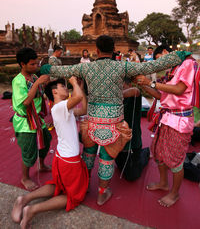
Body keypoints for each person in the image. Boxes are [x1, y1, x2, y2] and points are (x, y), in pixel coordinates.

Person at [40, 35, 191, 205]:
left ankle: (86, 185)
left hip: (92, 122)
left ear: (96, 51)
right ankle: (102, 194)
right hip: (113, 123)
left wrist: (45, 68)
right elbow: (151, 66)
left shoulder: (86, 68)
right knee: (106, 159)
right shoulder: (123, 66)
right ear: (113, 50)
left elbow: (62, 71)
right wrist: (177, 56)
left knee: (88, 155)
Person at [11, 77, 89, 228]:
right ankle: (32, 210)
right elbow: (77, 97)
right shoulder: (60, 107)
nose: (67, 89)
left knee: (58, 186)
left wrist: (80, 88)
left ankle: (24, 200)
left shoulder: (63, 107)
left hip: (62, 157)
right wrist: (74, 83)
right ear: (54, 91)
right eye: (63, 86)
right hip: (69, 160)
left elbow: (83, 108)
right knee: (72, 196)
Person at [136, 45, 197, 207]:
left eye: (159, 61)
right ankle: (163, 183)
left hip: (180, 121)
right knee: (157, 152)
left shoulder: (188, 63)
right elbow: (160, 94)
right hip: (167, 117)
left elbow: (179, 89)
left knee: (176, 159)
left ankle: (175, 194)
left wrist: (152, 83)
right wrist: (143, 84)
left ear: (165, 53)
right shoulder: (173, 69)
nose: (161, 65)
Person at [12, 48, 52, 191]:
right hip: (25, 121)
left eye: (36, 64)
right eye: (32, 64)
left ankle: (41, 164)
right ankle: (25, 177)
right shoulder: (18, 81)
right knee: (28, 150)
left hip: (37, 118)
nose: (36, 67)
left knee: (46, 140)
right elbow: (25, 103)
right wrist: (37, 84)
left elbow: (40, 94)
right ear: (23, 64)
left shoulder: (34, 77)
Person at [115, 77, 150, 181]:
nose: (119, 90)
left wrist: (113, 96)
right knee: (119, 167)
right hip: (119, 144)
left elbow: (136, 91)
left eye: (122, 87)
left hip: (133, 144)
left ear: (129, 85)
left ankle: (145, 153)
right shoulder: (117, 101)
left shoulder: (134, 96)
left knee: (132, 176)